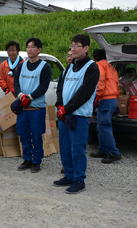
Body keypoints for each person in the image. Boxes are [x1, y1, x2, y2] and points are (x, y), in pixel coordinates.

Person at [53, 34, 100, 194]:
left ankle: (79, 179)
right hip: (64, 114)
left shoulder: (92, 68)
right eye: (71, 46)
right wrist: (60, 105)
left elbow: (84, 93)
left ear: (86, 48)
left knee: (77, 148)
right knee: (65, 147)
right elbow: (61, 88)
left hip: (79, 115)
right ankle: (69, 174)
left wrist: (67, 108)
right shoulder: (70, 66)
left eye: (76, 46)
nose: (72, 49)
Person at [13, 37, 52, 173]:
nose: (29, 49)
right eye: (28, 46)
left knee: (36, 135)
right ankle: (27, 159)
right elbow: (16, 83)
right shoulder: (22, 65)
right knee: (23, 134)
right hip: (23, 108)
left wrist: (30, 97)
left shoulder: (45, 67)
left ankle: (37, 161)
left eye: (33, 47)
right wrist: (20, 96)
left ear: (39, 50)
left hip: (36, 108)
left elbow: (44, 86)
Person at [89, 49, 121, 163]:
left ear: (94, 58)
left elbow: (100, 81)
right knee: (101, 126)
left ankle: (114, 153)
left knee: (104, 127)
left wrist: (96, 96)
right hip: (112, 98)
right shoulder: (111, 67)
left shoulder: (99, 65)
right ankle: (103, 150)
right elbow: (116, 83)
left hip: (105, 98)